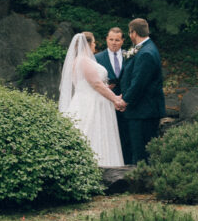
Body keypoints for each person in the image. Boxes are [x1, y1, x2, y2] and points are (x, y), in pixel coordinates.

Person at [59, 32, 124, 166]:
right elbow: (96, 84)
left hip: (88, 100)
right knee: (92, 133)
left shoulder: (81, 60)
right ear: (88, 44)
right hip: (91, 104)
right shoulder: (83, 60)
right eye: (93, 42)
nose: (95, 45)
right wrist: (116, 99)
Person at [116, 18, 164, 164]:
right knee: (139, 151)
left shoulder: (146, 53)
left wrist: (125, 101)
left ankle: (142, 182)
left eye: (130, 32)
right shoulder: (145, 49)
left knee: (141, 153)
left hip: (144, 112)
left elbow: (139, 83)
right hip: (141, 111)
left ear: (133, 33)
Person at [95, 27, 132, 164]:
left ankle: (126, 162)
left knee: (125, 133)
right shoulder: (97, 57)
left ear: (122, 41)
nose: (114, 43)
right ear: (106, 40)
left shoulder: (129, 55)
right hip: (106, 101)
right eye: (111, 39)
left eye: (117, 40)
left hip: (125, 100)